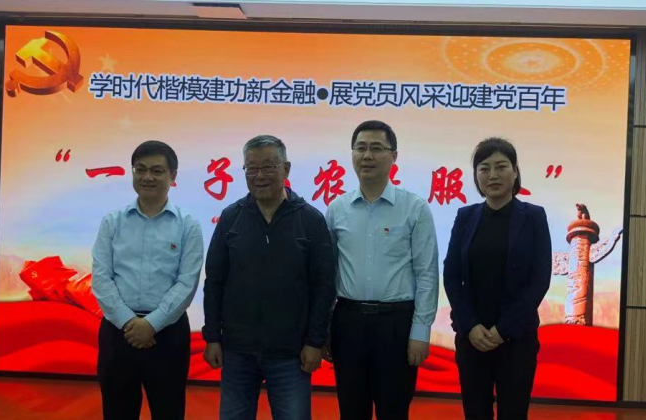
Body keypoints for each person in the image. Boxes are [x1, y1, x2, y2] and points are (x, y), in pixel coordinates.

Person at [202, 135, 335, 420]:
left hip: (291, 353)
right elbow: (214, 282)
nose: (259, 176)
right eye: (251, 168)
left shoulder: (310, 220)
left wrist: (315, 342)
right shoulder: (231, 218)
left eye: (268, 167)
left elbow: (324, 286)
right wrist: (212, 337)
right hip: (237, 351)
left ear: (286, 169)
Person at [325, 120, 439, 420]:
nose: (367, 156)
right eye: (360, 148)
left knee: (394, 411)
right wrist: (324, 329)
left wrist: (420, 331)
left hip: (396, 325)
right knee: (351, 410)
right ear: (352, 154)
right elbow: (327, 274)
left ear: (394, 156)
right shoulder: (336, 209)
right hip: (348, 323)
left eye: (377, 148)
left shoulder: (414, 208)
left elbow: (426, 274)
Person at [92, 140, 204, 420]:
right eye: (140, 169)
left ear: (173, 176)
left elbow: (187, 283)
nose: (147, 177)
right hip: (118, 332)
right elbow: (102, 277)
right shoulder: (112, 222)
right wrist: (129, 322)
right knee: (117, 412)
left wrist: (151, 324)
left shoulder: (188, 225)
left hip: (168, 334)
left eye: (157, 170)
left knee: (168, 411)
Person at [443, 137, 552, 420]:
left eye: (501, 166)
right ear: (476, 175)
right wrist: (470, 325)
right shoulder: (465, 216)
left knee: (513, 413)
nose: (492, 175)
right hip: (472, 338)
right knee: (475, 413)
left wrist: (503, 329)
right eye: (484, 168)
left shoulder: (534, 216)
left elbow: (540, 279)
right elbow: (452, 275)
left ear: (515, 172)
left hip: (516, 339)